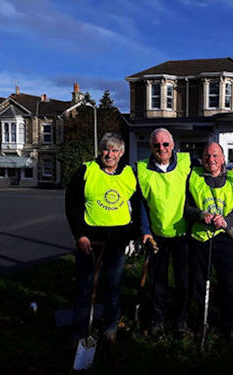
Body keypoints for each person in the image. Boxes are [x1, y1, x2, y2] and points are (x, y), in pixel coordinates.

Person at [65, 132, 141, 347]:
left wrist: (132, 234)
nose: (110, 154)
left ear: (122, 152)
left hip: (117, 240)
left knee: (113, 287)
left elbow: (137, 206)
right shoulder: (86, 171)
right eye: (106, 149)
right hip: (90, 240)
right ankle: (79, 332)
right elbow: (72, 205)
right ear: (101, 150)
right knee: (85, 287)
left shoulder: (129, 173)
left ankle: (110, 328)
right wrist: (79, 235)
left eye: (115, 150)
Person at [185, 142, 233, 337]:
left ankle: (229, 323)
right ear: (202, 159)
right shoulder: (192, 177)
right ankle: (204, 320)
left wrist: (226, 221)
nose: (211, 160)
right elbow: (184, 207)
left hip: (223, 238)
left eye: (215, 156)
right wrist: (200, 214)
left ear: (223, 159)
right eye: (207, 156)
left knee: (228, 281)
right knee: (199, 283)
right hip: (200, 238)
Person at [137, 128, 191, 336]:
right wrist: (145, 230)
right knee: (157, 280)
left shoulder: (187, 163)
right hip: (156, 234)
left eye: (165, 144)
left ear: (173, 145)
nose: (162, 148)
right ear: (151, 147)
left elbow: (209, 171)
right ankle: (158, 318)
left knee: (182, 280)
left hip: (182, 234)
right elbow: (141, 202)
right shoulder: (141, 169)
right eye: (157, 145)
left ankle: (181, 319)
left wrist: (230, 170)